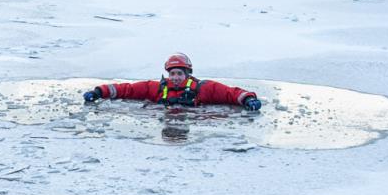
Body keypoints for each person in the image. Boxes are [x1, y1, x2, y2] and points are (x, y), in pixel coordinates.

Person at [82, 52, 262, 110]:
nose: (175, 78)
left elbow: (231, 93)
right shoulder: (156, 88)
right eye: (172, 74)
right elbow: (127, 89)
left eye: (179, 74)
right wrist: (99, 92)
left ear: (187, 74)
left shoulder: (204, 88)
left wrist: (248, 99)